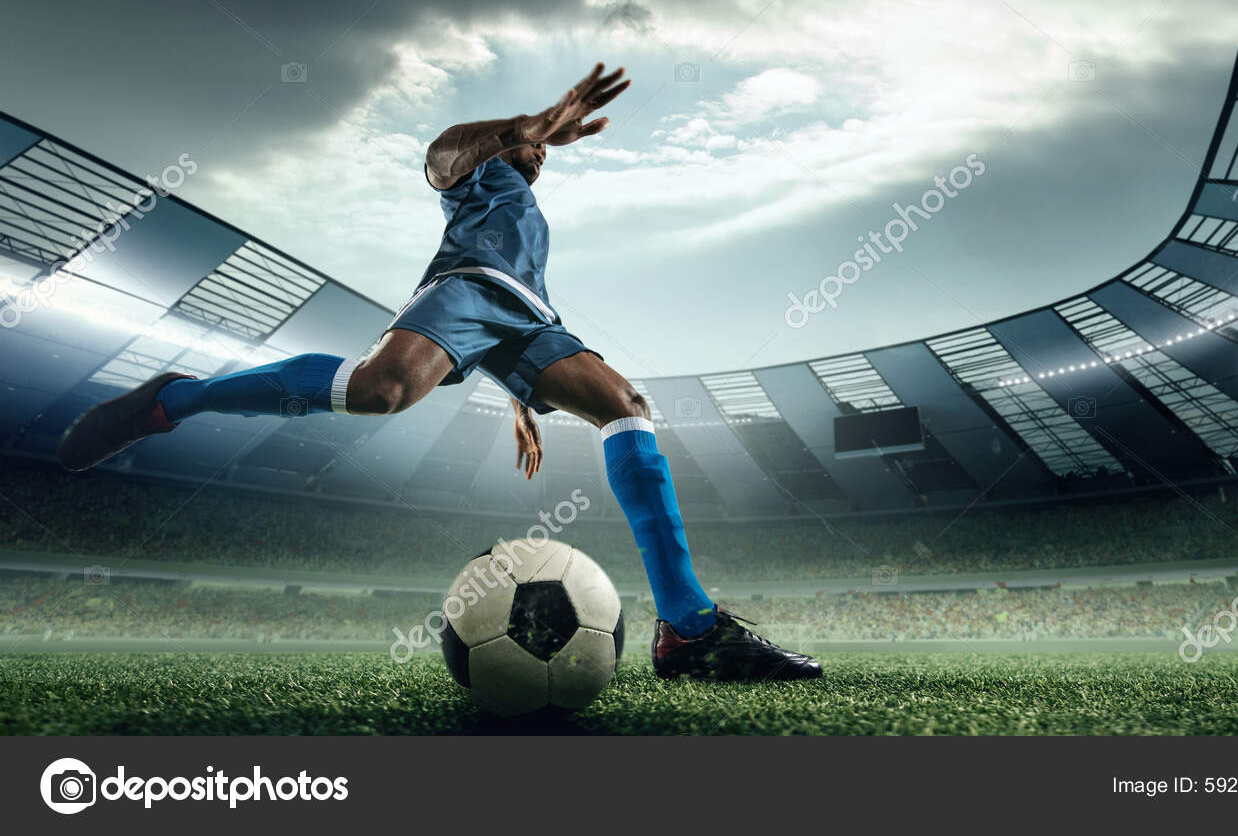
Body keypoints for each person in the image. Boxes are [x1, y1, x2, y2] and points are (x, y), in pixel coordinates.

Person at [57, 63, 821, 683]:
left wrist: (524, 391)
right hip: (467, 286)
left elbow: (503, 330)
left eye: (545, 150)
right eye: (534, 148)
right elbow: (466, 151)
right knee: (380, 391)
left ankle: (689, 629)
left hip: (529, 317)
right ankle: (175, 399)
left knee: (626, 405)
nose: (542, 154)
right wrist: (541, 119)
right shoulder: (469, 160)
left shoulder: (521, 202)